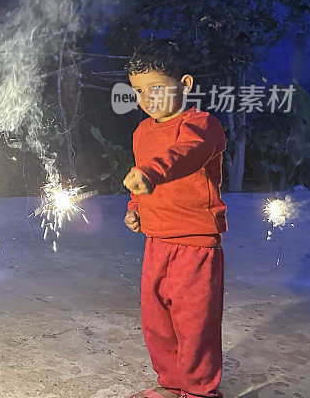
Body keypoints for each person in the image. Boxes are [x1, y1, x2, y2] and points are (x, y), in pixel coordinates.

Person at [122, 39, 227, 398]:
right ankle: (171, 383)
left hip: (195, 245)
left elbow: (187, 155)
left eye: (156, 89)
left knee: (195, 323)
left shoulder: (202, 126)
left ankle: (199, 391)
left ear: (185, 84)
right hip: (156, 243)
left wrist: (152, 171)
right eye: (138, 91)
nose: (147, 99)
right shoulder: (141, 132)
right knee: (158, 322)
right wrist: (135, 208)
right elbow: (140, 184)